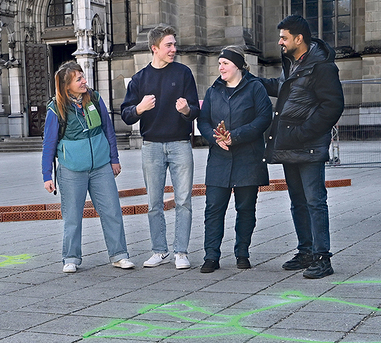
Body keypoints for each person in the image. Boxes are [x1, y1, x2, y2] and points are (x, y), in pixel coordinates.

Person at [260, 15, 344, 279]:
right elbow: (283, 88)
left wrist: (304, 133)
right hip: (289, 145)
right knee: (298, 202)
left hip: (307, 146)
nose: (280, 42)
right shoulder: (293, 65)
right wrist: (252, 80)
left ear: (299, 39)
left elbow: (333, 106)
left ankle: (322, 257)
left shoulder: (322, 67)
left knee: (315, 202)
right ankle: (305, 251)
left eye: (284, 37)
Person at [41, 60, 135, 273]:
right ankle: (71, 258)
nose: (84, 81)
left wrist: (114, 158)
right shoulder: (56, 107)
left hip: (101, 166)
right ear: (67, 86)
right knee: (72, 216)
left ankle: (119, 255)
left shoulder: (94, 98)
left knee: (112, 211)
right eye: (79, 79)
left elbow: (108, 130)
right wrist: (47, 174)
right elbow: (49, 143)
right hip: (71, 169)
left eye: (83, 77)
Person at [121, 24, 200, 270]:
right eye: (169, 45)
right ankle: (159, 250)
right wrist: (140, 109)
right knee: (154, 202)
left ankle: (181, 252)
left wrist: (186, 110)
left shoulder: (184, 73)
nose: (173, 49)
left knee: (183, 200)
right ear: (154, 48)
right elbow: (126, 114)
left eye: (174, 44)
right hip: (152, 146)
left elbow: (195, 110)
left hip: (180, 144)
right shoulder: (139, 79)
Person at [197, 46, 272, 273]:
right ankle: (211, 256)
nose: (220, 67)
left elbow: (264, 118)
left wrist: (236, 136)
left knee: (246, 208)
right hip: (219, 158)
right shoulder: (213, 91)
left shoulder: (255, 88)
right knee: (213, 209)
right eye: (219, 63)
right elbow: (203, 121)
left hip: (248, 158)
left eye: (225, 63)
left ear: (238, 65)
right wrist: (214, 137)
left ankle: (242, 253)